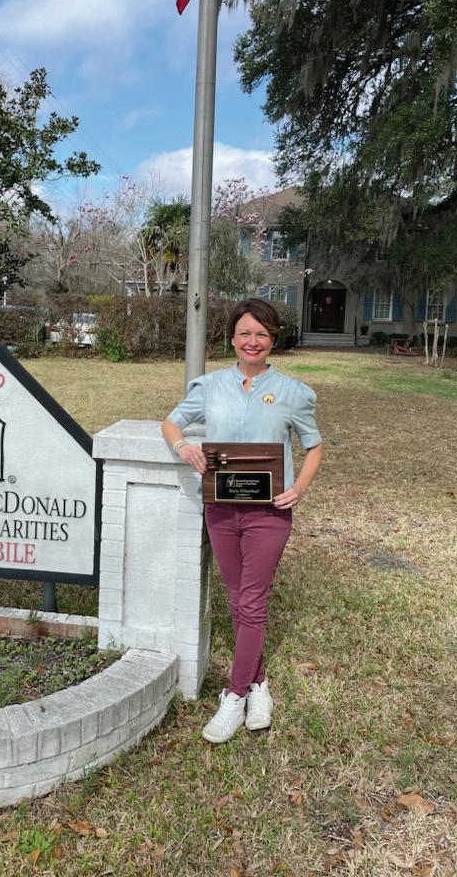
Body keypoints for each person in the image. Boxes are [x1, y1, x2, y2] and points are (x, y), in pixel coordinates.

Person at [161, 298, 323, 743]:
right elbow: (171, 423)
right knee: (238, 601)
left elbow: (314, 446)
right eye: (245, 333)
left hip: (269, 513)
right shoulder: (209, 386)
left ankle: (234, 695)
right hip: (221, 509)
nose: (254, 341)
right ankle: (259, 685)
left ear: (273, 340)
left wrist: (299, 487)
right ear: (232, 338)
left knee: (251, 602)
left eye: (262, 334)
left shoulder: (293, 392)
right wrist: (183, 447)